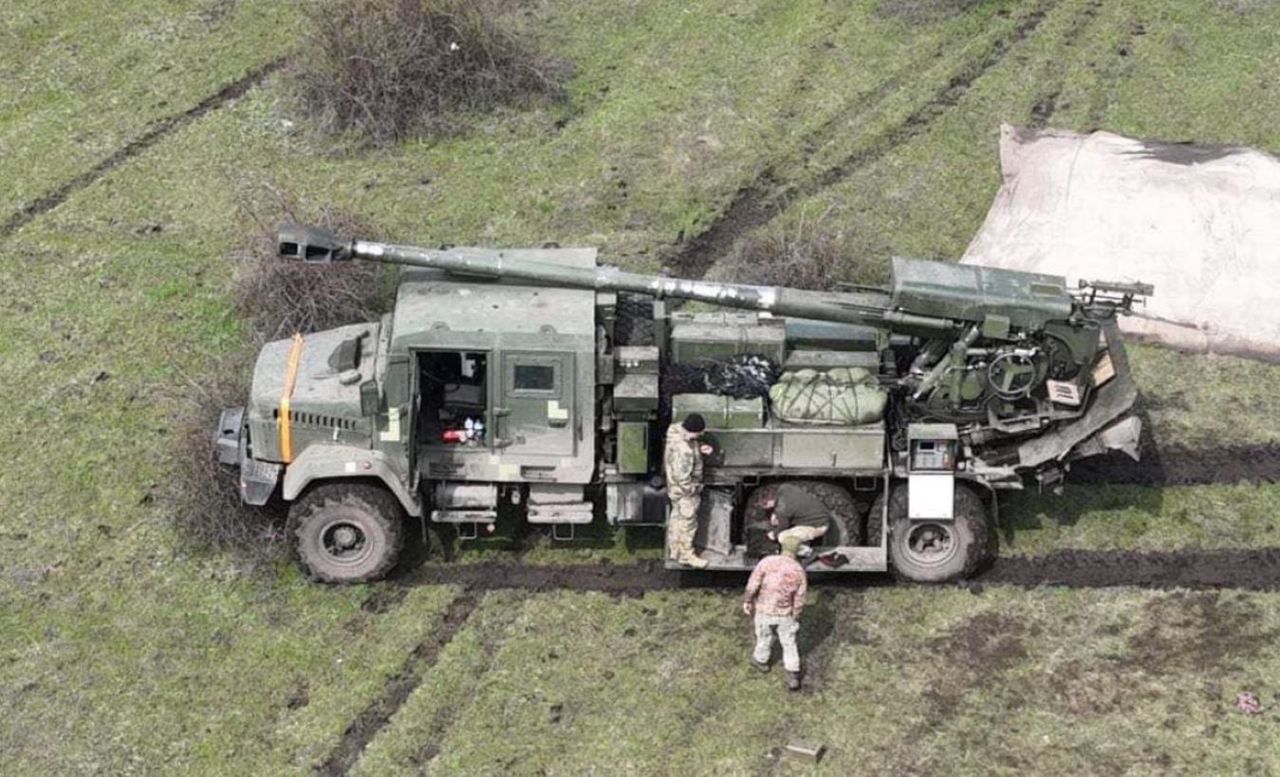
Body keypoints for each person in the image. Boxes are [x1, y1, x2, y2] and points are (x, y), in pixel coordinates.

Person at [743, 534, 808, 691]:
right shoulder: (799, 571)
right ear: (797, 552)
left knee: (764, 636)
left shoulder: (766, 562)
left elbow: (753, 585)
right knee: (789, 641)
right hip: (785, 613)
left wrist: (747, 600)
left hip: (764, 610)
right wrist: (795, 614)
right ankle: (793, 672)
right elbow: (800, 597)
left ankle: (761, 660)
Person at [663, 413, 713, 568]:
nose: (700, 436)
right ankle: (686, 556)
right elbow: (683, 478)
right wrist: (695, 489)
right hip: (685, 492)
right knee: (688, 523)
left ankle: (675, 550)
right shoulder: (684, 451)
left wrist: (698, 447)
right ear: (691, 431)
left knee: (676, 519)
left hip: (674, 489)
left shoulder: (675, 432)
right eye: (698, 433)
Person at [762, 483, 833, 559]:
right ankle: (804, 545)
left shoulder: (782, 509)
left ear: (769, 501)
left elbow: (784, 526)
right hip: (822, 516)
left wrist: (774, 534)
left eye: (765, 505)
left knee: (782, 537)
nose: (765, 508)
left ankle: (809, 552)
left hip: (819, 526)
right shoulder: (785, 487)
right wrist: (776, 513)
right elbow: (789, 507)